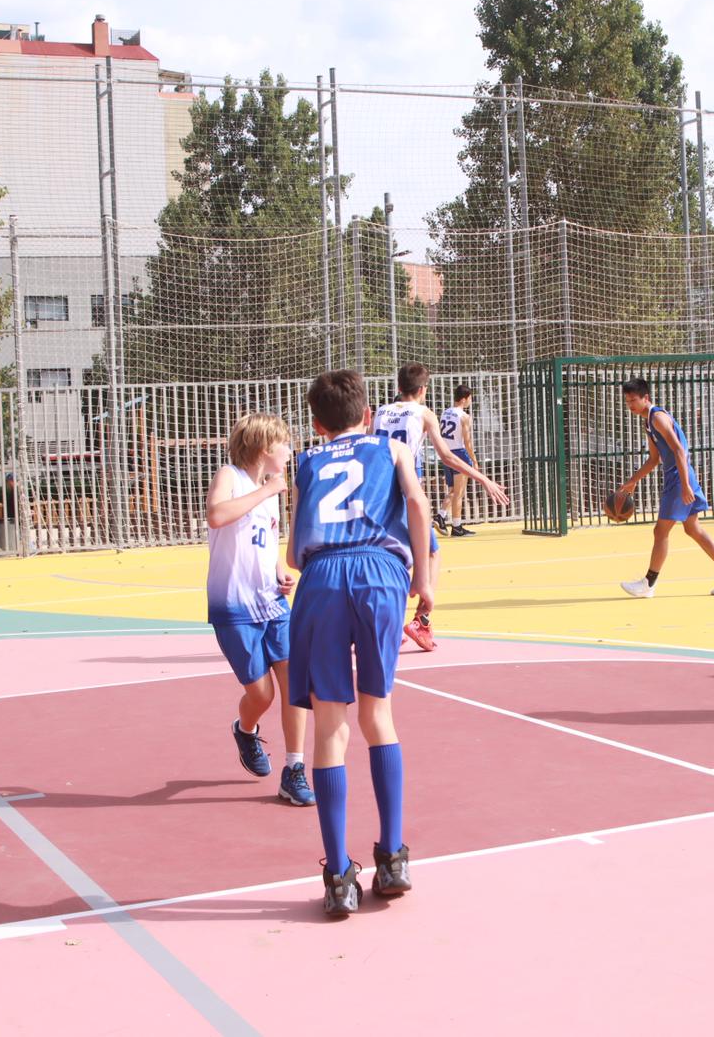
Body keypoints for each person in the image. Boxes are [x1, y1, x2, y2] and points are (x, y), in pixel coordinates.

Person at [287, 369, 432, 916]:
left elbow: (292, 554)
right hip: (379, 575)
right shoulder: (391, 448)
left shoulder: (307, 463)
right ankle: (393, 856)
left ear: (318, 424)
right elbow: (417, 505)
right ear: (368, 415)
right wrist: (422, 578)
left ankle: (338, 876)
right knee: (379, 717)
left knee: (329, 726)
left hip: (323, 578)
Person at [204, 412, 313, 806]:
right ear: (266, 448)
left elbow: (265, 547)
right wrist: (267, 492)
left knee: (294, 685)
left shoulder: (269, 493)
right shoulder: (230, 476)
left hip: (273, 602)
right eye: (285, 444)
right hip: (234, 606)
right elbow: (217, 515)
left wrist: (282, 574)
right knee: (261, 694)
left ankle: (295, 768)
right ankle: (245, 729)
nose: (290, 450)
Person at [375, 363, 509, 650]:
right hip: (406, 492)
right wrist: (483, 478)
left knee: (390, 557)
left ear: (399, 387)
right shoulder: (424, 413)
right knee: (432, 554)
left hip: (377, 493)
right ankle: (421, 621)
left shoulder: (380, 412)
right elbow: (447, 456)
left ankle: (387, 622)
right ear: (423, 390)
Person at [616, 377, 714, 599]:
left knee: (660, 531)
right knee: (692, 528)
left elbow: (679, 451)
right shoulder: (648, 422)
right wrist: (633, 480)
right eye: (627, 401)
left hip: (679, 478)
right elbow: (654, 459)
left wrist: (684, 486)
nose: (630, 405)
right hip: (680, 477)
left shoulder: (658, 418)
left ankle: (648, 583)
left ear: (646, 398)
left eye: (633, 400)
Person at [437, 384, 483, 536]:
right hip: (459, 453)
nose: (471, 401)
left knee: (452, 490)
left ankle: (441, 515)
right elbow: (468, 442)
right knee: (459, 493)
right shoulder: (464, 417)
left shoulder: (445, 413)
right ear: (464, 399)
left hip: (446, 453)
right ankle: (456, 526)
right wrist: (474, 460)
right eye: (470, 398)